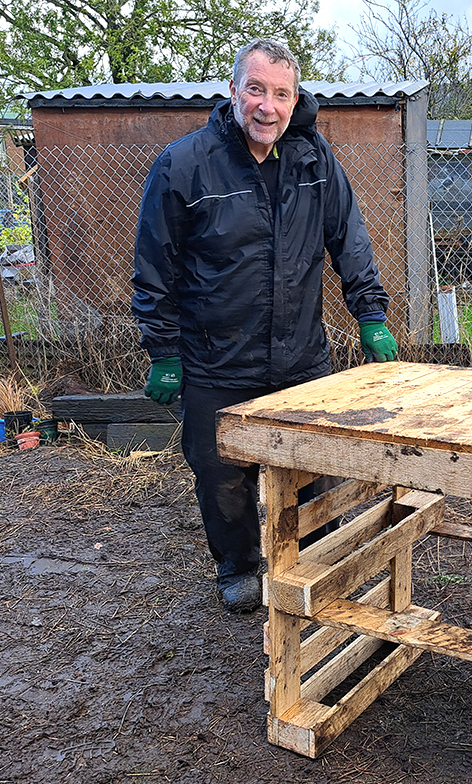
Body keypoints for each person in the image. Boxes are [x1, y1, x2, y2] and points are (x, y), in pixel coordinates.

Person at [131, 38, 399, 614]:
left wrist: (370, 313)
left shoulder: (314, 159)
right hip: (216, 359)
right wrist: (164, 352)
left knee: (311, 467)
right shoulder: (184, 165)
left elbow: (348, 241)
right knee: (221, 472)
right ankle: (239, 565)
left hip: (301, 358)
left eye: (281, 94)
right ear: (233, 92)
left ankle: (307, 564)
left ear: (294, 98)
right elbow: (155, 266)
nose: (267, 106)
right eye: (256, 90)